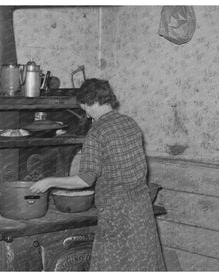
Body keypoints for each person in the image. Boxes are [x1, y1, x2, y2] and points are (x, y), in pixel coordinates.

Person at [30, 78, 166, 271]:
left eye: (84, 107)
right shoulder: (130, 123)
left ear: (92, 102)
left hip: (116, 213)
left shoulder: (97, 132)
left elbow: (85, 180)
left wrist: (50, 181)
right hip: (141, 208)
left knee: (113, 265)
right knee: (142, 263)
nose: (85, 113)